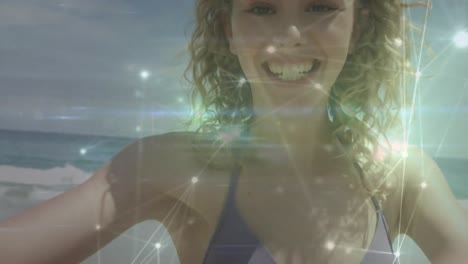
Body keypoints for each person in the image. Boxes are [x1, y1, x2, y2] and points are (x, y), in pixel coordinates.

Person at [1, 0, 467, 263]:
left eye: (319, 6)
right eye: (261, 8)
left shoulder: (400, 177)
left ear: (359, 24)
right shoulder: (178, 167)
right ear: (227, 28)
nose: (288, 35)